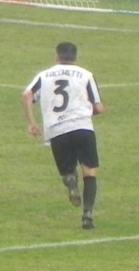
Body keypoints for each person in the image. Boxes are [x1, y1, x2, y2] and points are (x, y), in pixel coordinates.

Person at [21, 42, 105, 230]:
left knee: (68, 170)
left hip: (56, 129)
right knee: (89, 171)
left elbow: (27, 95)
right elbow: (98, 107)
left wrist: (32, 122)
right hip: (82, 127)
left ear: (56, 56)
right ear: (75, 57)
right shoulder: (86, 75)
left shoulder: (44, 75)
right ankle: (87, 216)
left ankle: (70, 181)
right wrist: (88, 111)